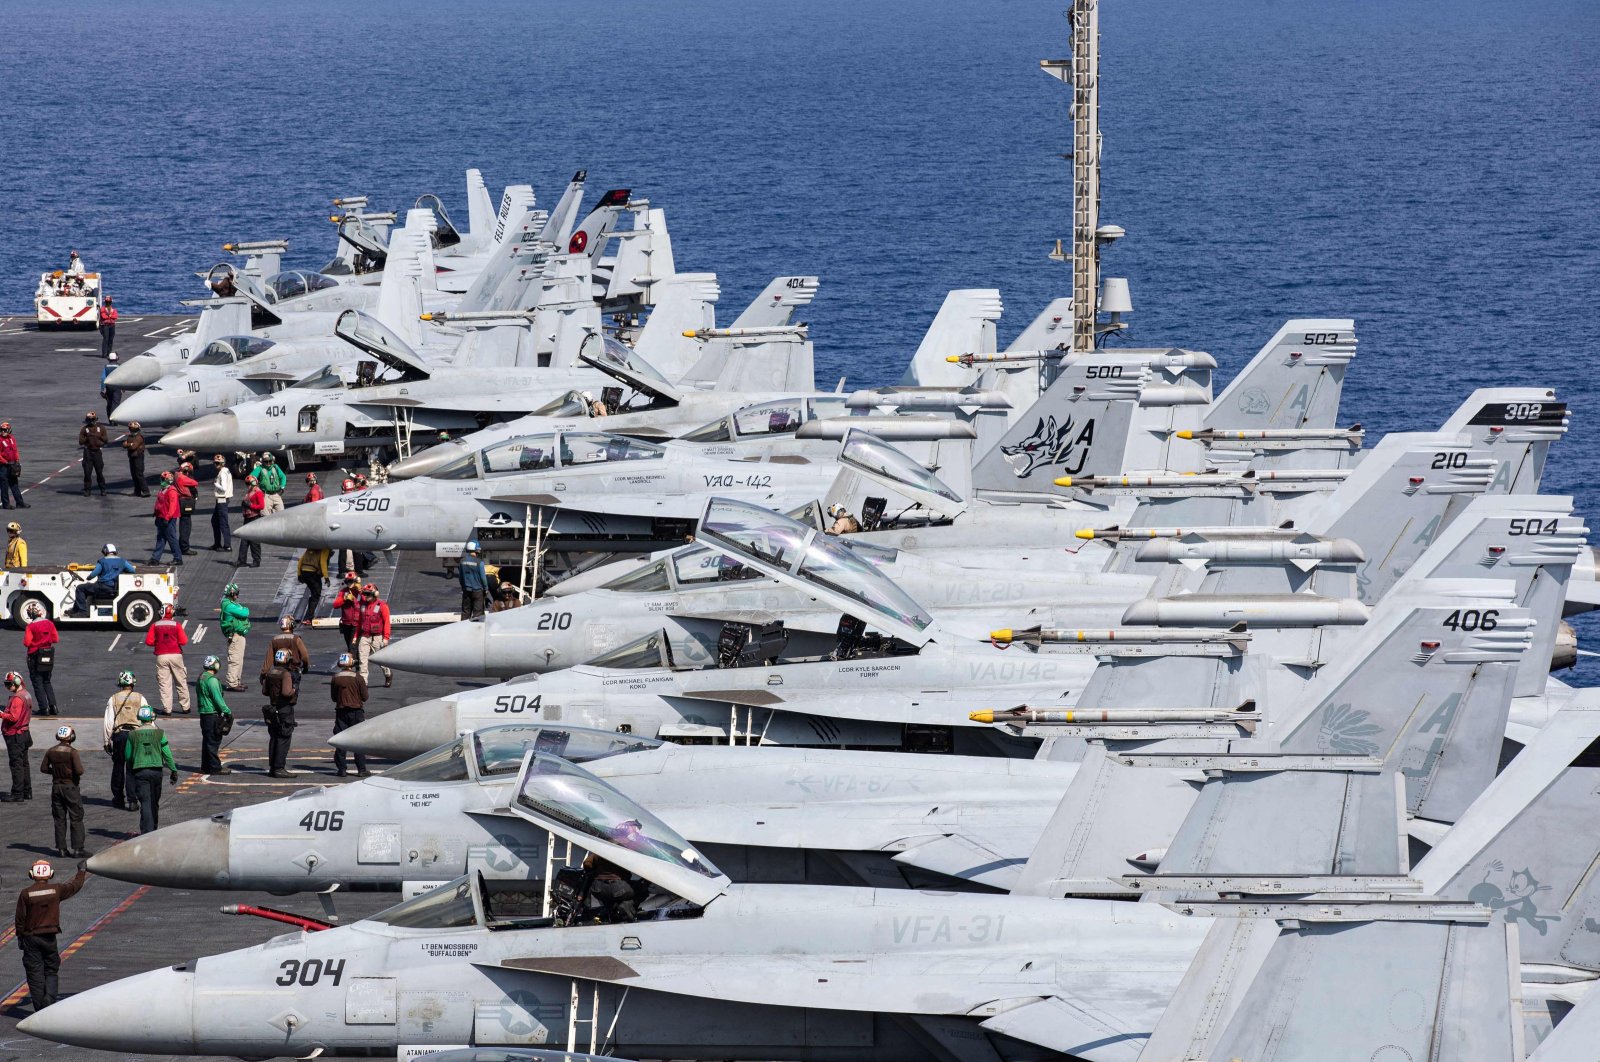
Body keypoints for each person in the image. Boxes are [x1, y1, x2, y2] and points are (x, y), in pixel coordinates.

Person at [15, 859, 88, 1014]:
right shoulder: (56, 890)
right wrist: (81, 871)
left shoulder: (26, 893)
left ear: (32, 875)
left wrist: (20, 938)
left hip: (31, 938)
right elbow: (75, 886)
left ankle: (39, 1009)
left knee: (34, 973)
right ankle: (49, 1000)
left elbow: (20, 919)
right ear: (50, 874)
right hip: (49, 938)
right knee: (51, 970)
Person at [124, 705, 176, 834]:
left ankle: (147, 831)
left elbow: (128, 756)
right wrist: (173, 770)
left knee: (145, 802)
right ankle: (154, 829)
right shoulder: (159, 733)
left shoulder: (132, 734)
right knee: (154, 801)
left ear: (140, 718)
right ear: (152, 717)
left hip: (140, 771)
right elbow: (167, 753)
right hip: (156, 771)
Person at [102, 670, 148, 812]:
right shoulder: (140, 698)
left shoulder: (114, 699)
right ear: (133, 683)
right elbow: (147, 718)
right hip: (136, 735)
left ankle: (118, 798)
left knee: (118, 766)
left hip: (120, 735)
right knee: (132, 768)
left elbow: (108, 722)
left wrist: (106, 741)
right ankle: (132, 800)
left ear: (120, 684)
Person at [39, 725, 86, 857]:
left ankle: (61, 849)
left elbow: (43, 768)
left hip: (56, 787)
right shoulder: (72, 752)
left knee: (59, 818)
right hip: (70, 787)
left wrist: (55, 772)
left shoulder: (51, 751)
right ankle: (78, 849)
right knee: (76, 817)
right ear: (71, 737)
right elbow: (79, 771)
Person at [145, 603, 191, 715]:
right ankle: (185, 707)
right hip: (176, 655)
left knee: (164, 684)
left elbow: (149, 641)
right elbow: (184, 641)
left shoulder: (155, 625)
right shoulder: (177, 625)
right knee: (181, 681)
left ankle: (167, 709)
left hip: (161, 656)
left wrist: (158, 642)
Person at [329, 652, 369, 777]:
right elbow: (365, 697)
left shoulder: (336, 677)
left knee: (341, 741)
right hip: (356, 712)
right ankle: (361, 769)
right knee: (358, 741)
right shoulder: (357, 678)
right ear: (351, 663)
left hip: (341, 712)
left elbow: (334, 697)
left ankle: (341, 769)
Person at [261, 649, 298, 778]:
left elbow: (265, 691)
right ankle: (279, 768)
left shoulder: (271, 672)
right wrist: (294, 689)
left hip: (272, 708)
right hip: (284, 709)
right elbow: (286, 692)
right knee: (284, 738)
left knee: (274, 738)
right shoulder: (285, 674)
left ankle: (273, 767)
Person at [70, 543, 133, 616]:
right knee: (87, 589)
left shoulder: (102, 561)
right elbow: (132, 570)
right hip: (113, 588)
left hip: (102, 587)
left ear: (105, 551)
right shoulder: (122, 561)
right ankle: (75, 609)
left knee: (80, 588)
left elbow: (94, 574)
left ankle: (82, 612)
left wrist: (88, 578)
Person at [195, 655, 232, 774]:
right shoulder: (212, 680)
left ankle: (205, 766)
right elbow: (218, 699)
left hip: (204, 714)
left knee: (207, 741)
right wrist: (227, 711)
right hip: (212, 714)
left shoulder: (201, 677)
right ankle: (215, 767)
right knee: (213, 742)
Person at [2, 672, 34, 802]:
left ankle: (17, 793)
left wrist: (1, 714)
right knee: (24, 763)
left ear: (16, 683)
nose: (8, 687)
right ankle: (27, 791)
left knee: (16, 765)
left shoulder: (17, 698)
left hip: (15, 735)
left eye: (9, 684)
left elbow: (13, 717)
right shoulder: (26, 694)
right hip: (24, 733)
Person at [355, 583, 392, 687]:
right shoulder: (363, 605)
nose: (365, 596)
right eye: (364, 594)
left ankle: (388, 674)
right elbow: (359, 622)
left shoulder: (382, 606)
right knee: (363, 661)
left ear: (375, 594)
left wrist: (386, 638)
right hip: (364, 637)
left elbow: (387, 623)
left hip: (377, 637)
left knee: (381, 660)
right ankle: (364, 683)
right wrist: (355, 636)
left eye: (368, 594)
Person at [24, 611, 58, 717]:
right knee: (47, 681)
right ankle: (53, 706)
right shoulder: (50, 624)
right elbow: (55, 639)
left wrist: (37, 642)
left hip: (35, 655)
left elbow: (27, 643)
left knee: (37, 682)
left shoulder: (31, 626)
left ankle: (44, 708)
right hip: (48, 654)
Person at [219, 582, 250, 691]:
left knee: (239, 659)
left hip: (239, 635)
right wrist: (245, 609)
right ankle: (232, 683)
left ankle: (237, 681)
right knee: (235, 660)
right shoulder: (229, 606)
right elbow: (245, 613)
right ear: (231, 593)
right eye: (236, 594)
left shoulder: (230, 604)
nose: (237, 596)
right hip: (235, 635)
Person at [149, 471, 183, 564]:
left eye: (164, 479)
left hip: (168, 518)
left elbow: (173, 506)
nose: (162, 480)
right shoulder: (163, 489)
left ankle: (178, 558)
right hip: (161, 516)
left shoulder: (172, 491)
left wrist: (167, 518)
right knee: (161, 538)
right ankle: (155, 558)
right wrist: (156, 514)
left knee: (171, 538)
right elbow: (158, 503)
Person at [205, 453, 233, 550]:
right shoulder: (225, 471)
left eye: (217, 463)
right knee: (215, 521)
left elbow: (224, 488)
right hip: (221, 500)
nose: (215, 465)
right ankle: (217, 543)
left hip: (222, 499)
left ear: (222, 463)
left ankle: (227, 545)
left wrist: (216, 484)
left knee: (223, 522)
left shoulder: (223, 473)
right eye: (215, 463)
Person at [78, 411, 108, 497]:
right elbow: (80, 441)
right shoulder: (84, 429)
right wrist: (88, 437)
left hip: (97, 452)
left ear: (96, 419)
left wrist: (98, 437)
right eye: (89, 420)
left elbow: (106, 440)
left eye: (92, 419)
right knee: (87, 473)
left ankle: (103, 489)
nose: (91, 421)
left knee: (99, 472)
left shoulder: (101, 428)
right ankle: (87, 490)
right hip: (88, 453)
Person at [236, 474, 264, 567]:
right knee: (244, 540)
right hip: (247, 517)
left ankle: (256, 561)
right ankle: (241, 560)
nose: (247, 485)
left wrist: (250, 506)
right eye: (246, 483)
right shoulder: (249, 491)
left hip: (254, 517)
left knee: (254, 540)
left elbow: (261, 506)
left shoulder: (258, 492)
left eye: (248, 483)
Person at [173, 461, 199, 556]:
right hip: (185, 502)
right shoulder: (183, 478)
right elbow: (195, 483)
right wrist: (190, 475)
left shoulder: (176, 475)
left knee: (184, 524)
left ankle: (183, 546)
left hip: (181, 501)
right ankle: (185, 548)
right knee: (186, 526)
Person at [296, 547, 329, 621]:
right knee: (316, 594)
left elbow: (300, 561)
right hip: (312, 573)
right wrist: (326, 577)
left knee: (313, 594)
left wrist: (299, 574)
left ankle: (309, 614)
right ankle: (309, 617)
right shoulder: (325, 549)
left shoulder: (310, 547)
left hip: (304, 572)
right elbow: (323, 562)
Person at [458, 540, 488, 619]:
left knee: (465, 612)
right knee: (477, 614)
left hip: (466, 591)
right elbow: (483, 578)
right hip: (477, 592)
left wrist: (463, 587)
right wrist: (486, 589)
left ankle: (463, 629)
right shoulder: (480, 562)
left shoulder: (462, 561)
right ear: (477, 550)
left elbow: (460, 577)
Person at [333, 572, 362, 654]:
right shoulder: (343, 592)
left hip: (357, 624)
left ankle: (355, 663)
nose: (349, 583)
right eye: (347, 582)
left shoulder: (362, 592)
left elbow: (366, 601)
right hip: (346, 624)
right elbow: (335, 605)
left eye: (351, 581)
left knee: (353, 647)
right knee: (350, 647)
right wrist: (344, 598)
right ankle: (356, 663)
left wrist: (360, 591)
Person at [0, 422, 26, 509]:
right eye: (1, 430)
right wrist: (4, 461)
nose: (3, 431)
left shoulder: (12, 439)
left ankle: (20, 503)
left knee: (14, 484)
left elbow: (15, 450)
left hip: (12, 464)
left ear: (9, 430)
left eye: (5, 430)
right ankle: (6, 504)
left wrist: (17, 460)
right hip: (3, 466)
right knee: (4, 485)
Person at [122, 421, 149, 497]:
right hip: (132, 457)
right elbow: (124, 444)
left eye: (133, 429)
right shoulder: (131, 437)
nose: (132, 430)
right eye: (131, 429)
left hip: (138, 457)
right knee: (134, 475)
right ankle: (137, 491)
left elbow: (133, 446)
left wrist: (128, 444)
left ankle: (146, 491)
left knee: (139, 474)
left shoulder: (138, 437)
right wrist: (129, 444)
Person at [100, 353, 121, 418]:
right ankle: (114, 418)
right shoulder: (120, 366)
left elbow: (103, 378)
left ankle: (110, 418)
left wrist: (102, 389)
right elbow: (122, 377)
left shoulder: (106, 366)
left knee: (109, 403)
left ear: (108, 359)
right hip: (117, 387)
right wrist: (124, 387)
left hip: (108, 387)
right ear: (117, 358)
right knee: (115, 403)